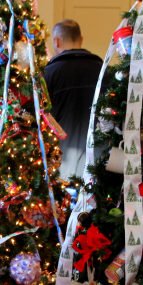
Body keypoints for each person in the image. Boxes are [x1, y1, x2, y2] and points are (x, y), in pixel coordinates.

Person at [44, 19, 104, 180]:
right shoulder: (104, 72)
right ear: (81, 39)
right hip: (100, 168)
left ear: (55, 41)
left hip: (61, 170)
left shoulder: (47, 75)